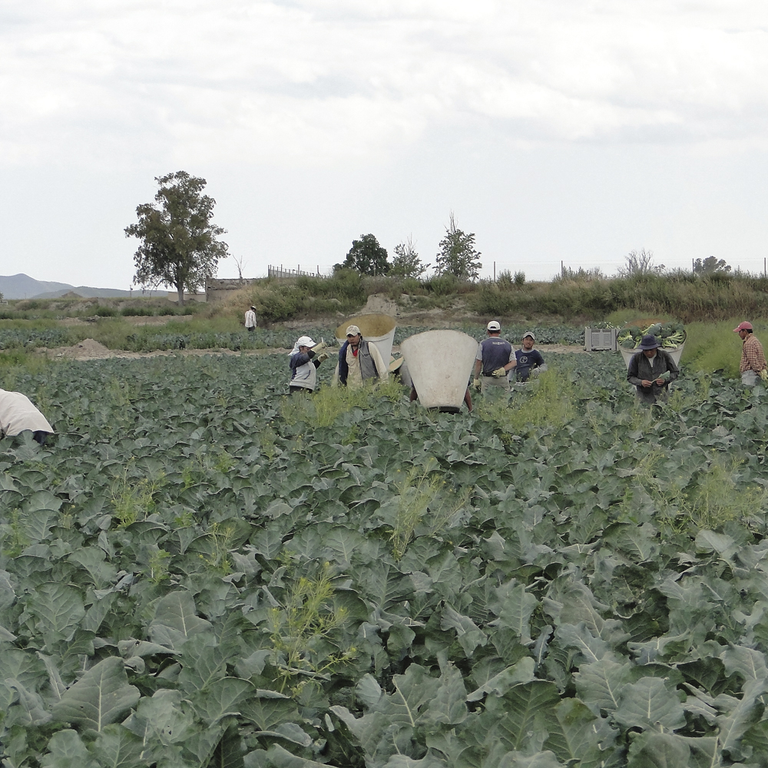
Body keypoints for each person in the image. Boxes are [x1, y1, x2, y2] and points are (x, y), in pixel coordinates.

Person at [627, 334, 679, 404]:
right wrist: (641, 382)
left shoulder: (664, 356)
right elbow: (630, 377)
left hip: (662, 398)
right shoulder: (636, 358)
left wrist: (665, 380)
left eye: (651, 350)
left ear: (656, 348)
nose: (649, 352)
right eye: (646, 350)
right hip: (643, 398)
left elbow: (675, 372)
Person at [473, 321, 516, 394]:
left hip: (487, 379)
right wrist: (503, 369)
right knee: (503, 401)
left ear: (487, 332)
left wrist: (476, 378)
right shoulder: (508, 345)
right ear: (499, 331)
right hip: (502, 379)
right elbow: (514, 362)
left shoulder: (483, 344)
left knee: (487, 402)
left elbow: (478, 363)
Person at [734, 321, 768, 386]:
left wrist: (759, 370)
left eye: (740, 332)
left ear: (745, 331)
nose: (739, 334)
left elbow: (753, 360)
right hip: (754, 373)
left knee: (748, 393)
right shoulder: (755, 340)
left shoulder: (749, 343)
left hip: (750, 375)